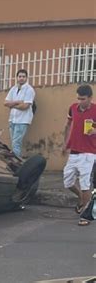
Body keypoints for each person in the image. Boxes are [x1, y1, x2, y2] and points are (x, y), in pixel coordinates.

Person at [62, 84, 96, 226]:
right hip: (74, 151)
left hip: (89, 152)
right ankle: (82, 198)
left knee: (85, 183)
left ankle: (85, 215)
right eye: (78, 98)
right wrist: (65, 143)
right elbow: (67, 125)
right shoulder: (73, 108)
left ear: (90, 98)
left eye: (83, 99)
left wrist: (95, 131)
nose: (80, 101)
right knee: (67, 181)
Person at [4, 69, 35, 157]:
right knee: (14, 143)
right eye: (20, 76)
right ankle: (16, 160)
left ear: (26, 78)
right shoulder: (13, 89)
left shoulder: (29, 90)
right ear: (17, 78)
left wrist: (12, 104)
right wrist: (18, 102)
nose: (21, 78)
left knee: (16, 143)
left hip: (22, 120)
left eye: (23, 77)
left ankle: (16, 163)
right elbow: (5, 103)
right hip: (12, 120)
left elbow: (25, 106)